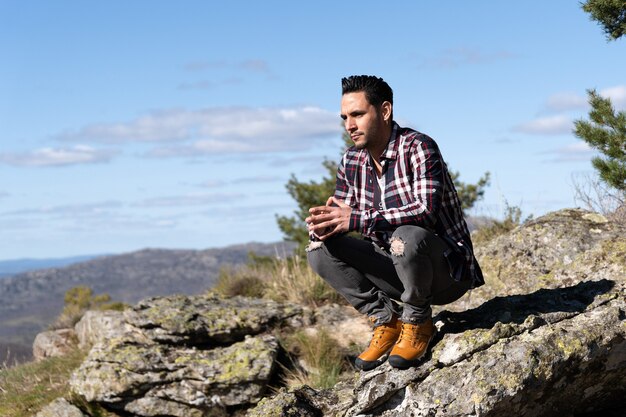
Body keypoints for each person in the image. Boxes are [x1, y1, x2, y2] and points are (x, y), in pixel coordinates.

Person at [305, 75, 484, 370]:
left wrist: (357, 218)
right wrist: (325, 225)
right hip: (396, 269)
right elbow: (343, 215)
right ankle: (387, 321)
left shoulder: (418, 147)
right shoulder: (350, 161)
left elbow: (424, 212)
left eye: (358, 114)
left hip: (446, 272)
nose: (349, 125)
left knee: (406, 235)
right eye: (345, 117)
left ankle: (418, 322)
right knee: (318, 250)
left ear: (385, 111)